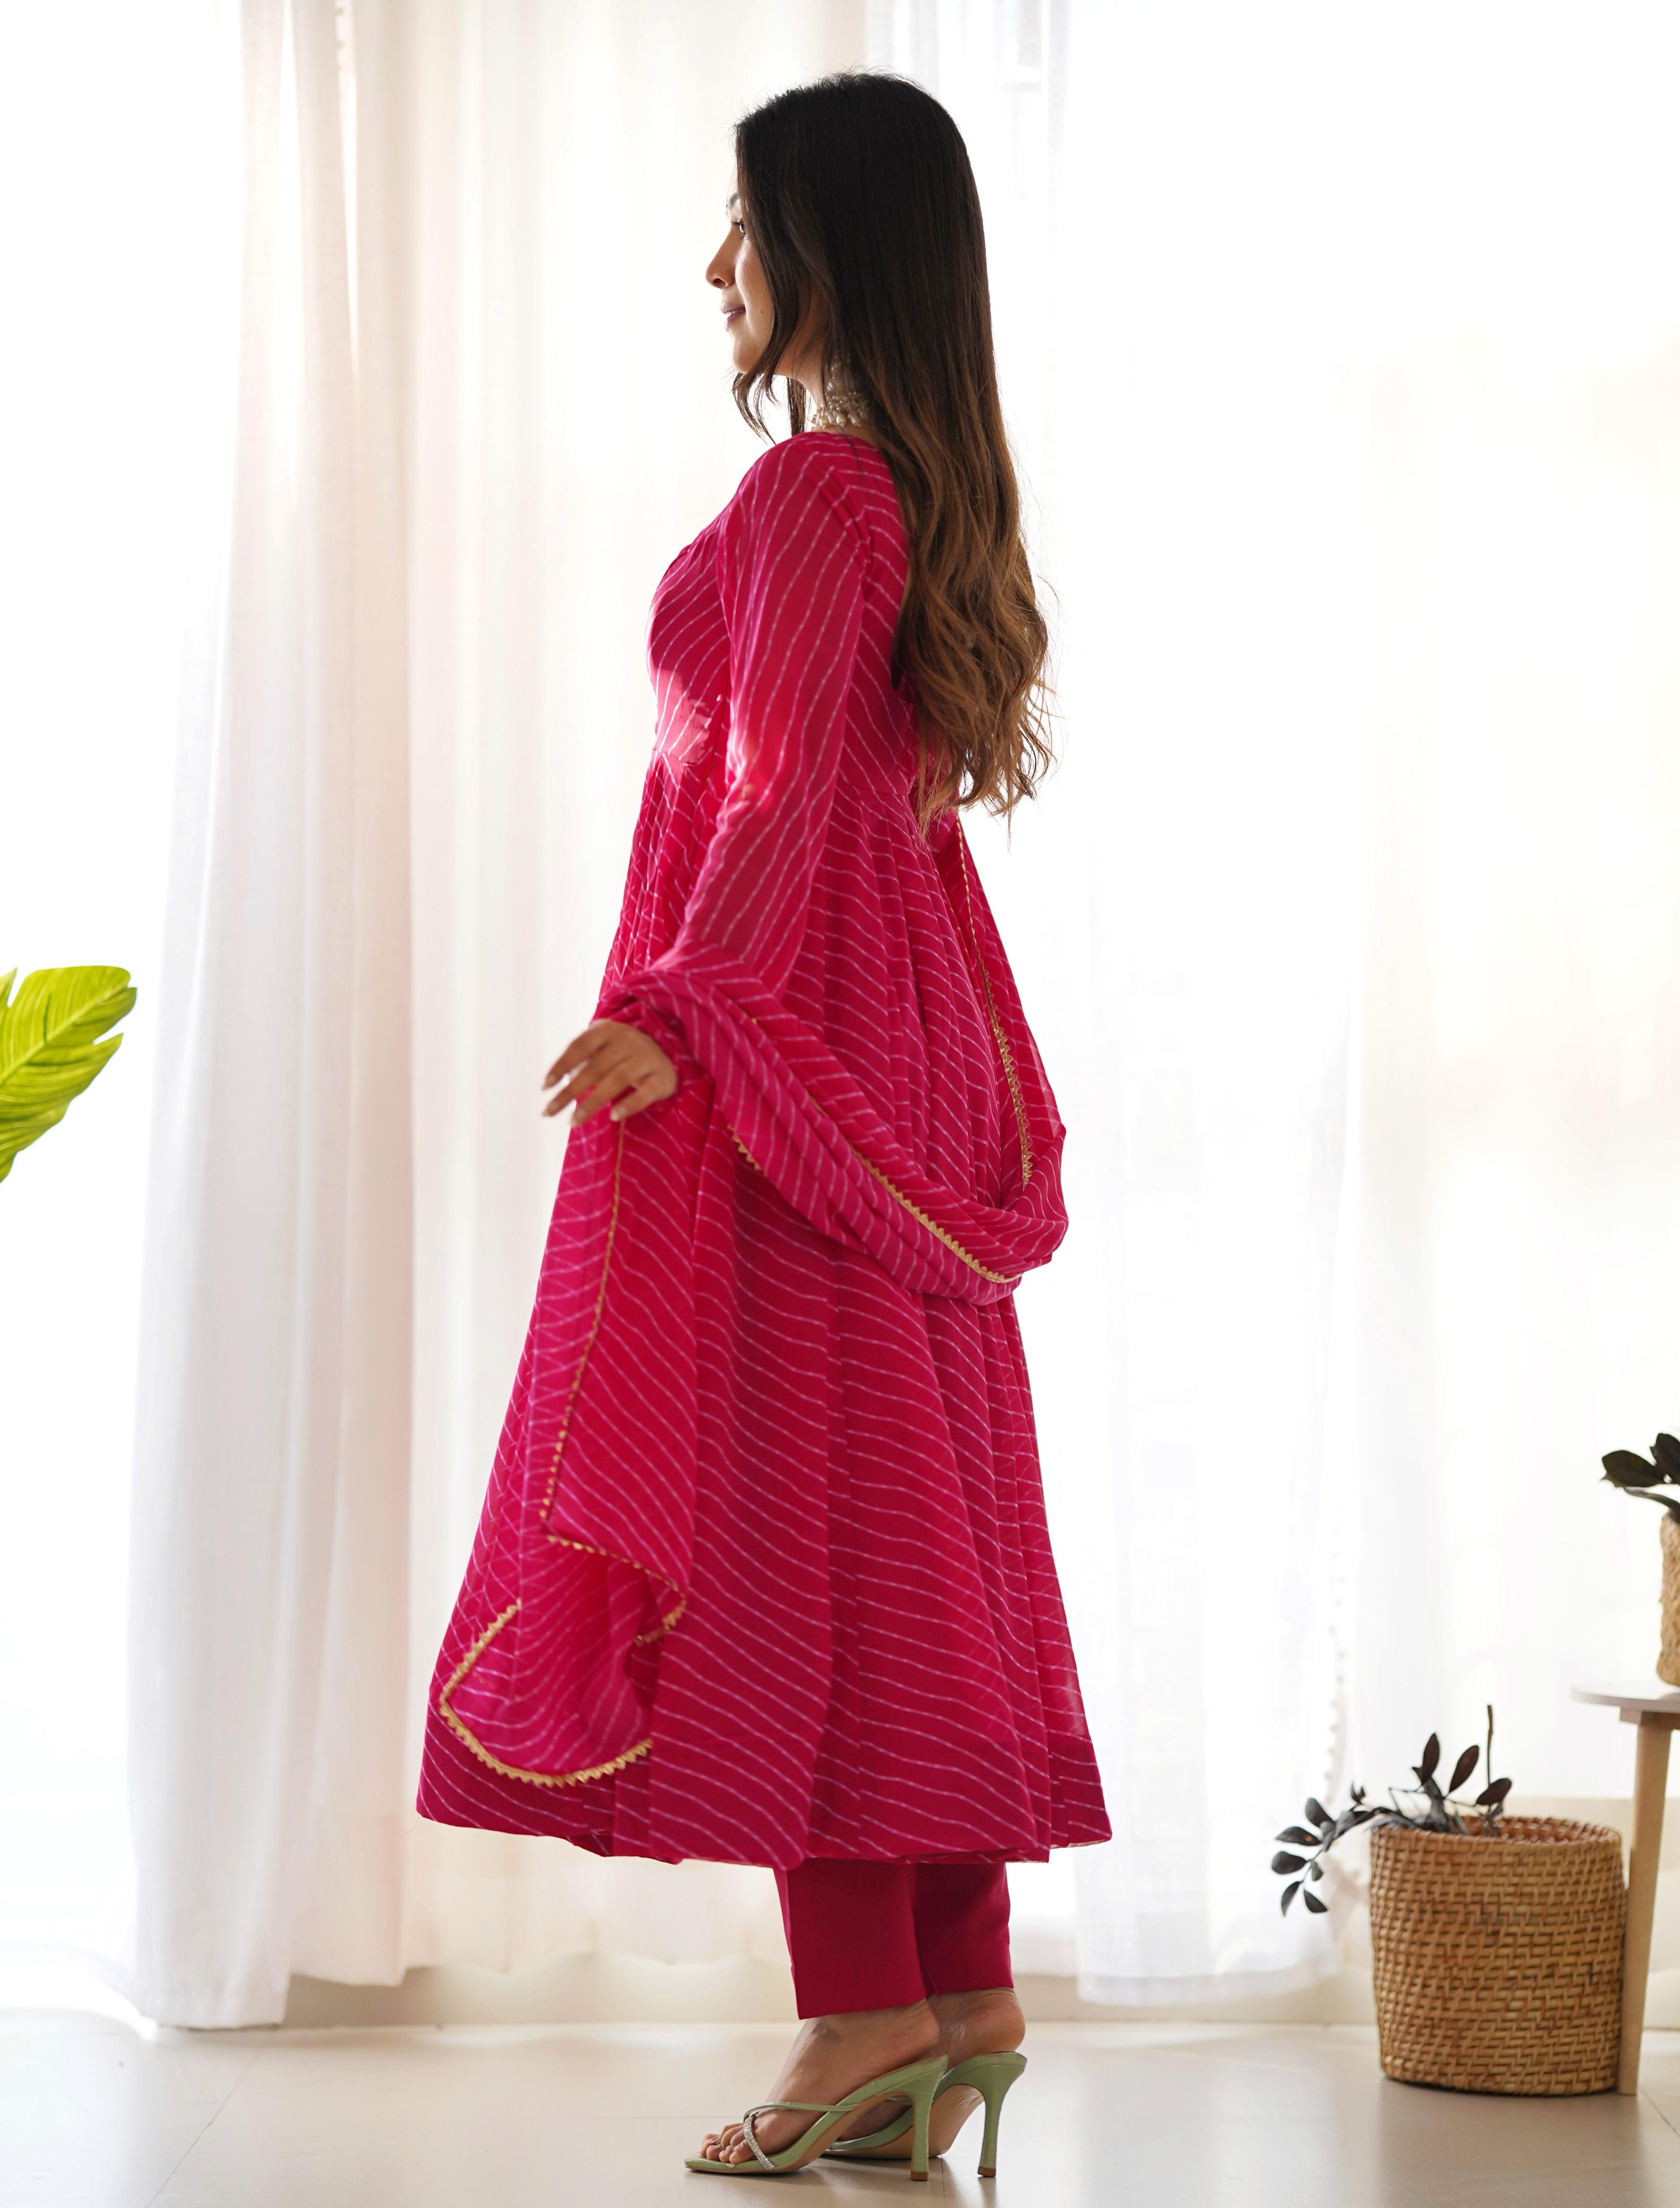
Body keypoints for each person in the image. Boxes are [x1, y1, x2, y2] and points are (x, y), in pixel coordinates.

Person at [415, 69, 1109, 2180]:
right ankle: (955, 1993)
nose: (713, 263)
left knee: (803, 1540)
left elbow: (782, 781)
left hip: (794, 1051)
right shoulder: (907, 490)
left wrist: (682, 1013)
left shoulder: (816, 492)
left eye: (746, 221)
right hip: (889, 1052)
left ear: (831, 245)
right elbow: (835, 790)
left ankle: (865, 2014)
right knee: (906, 1526)